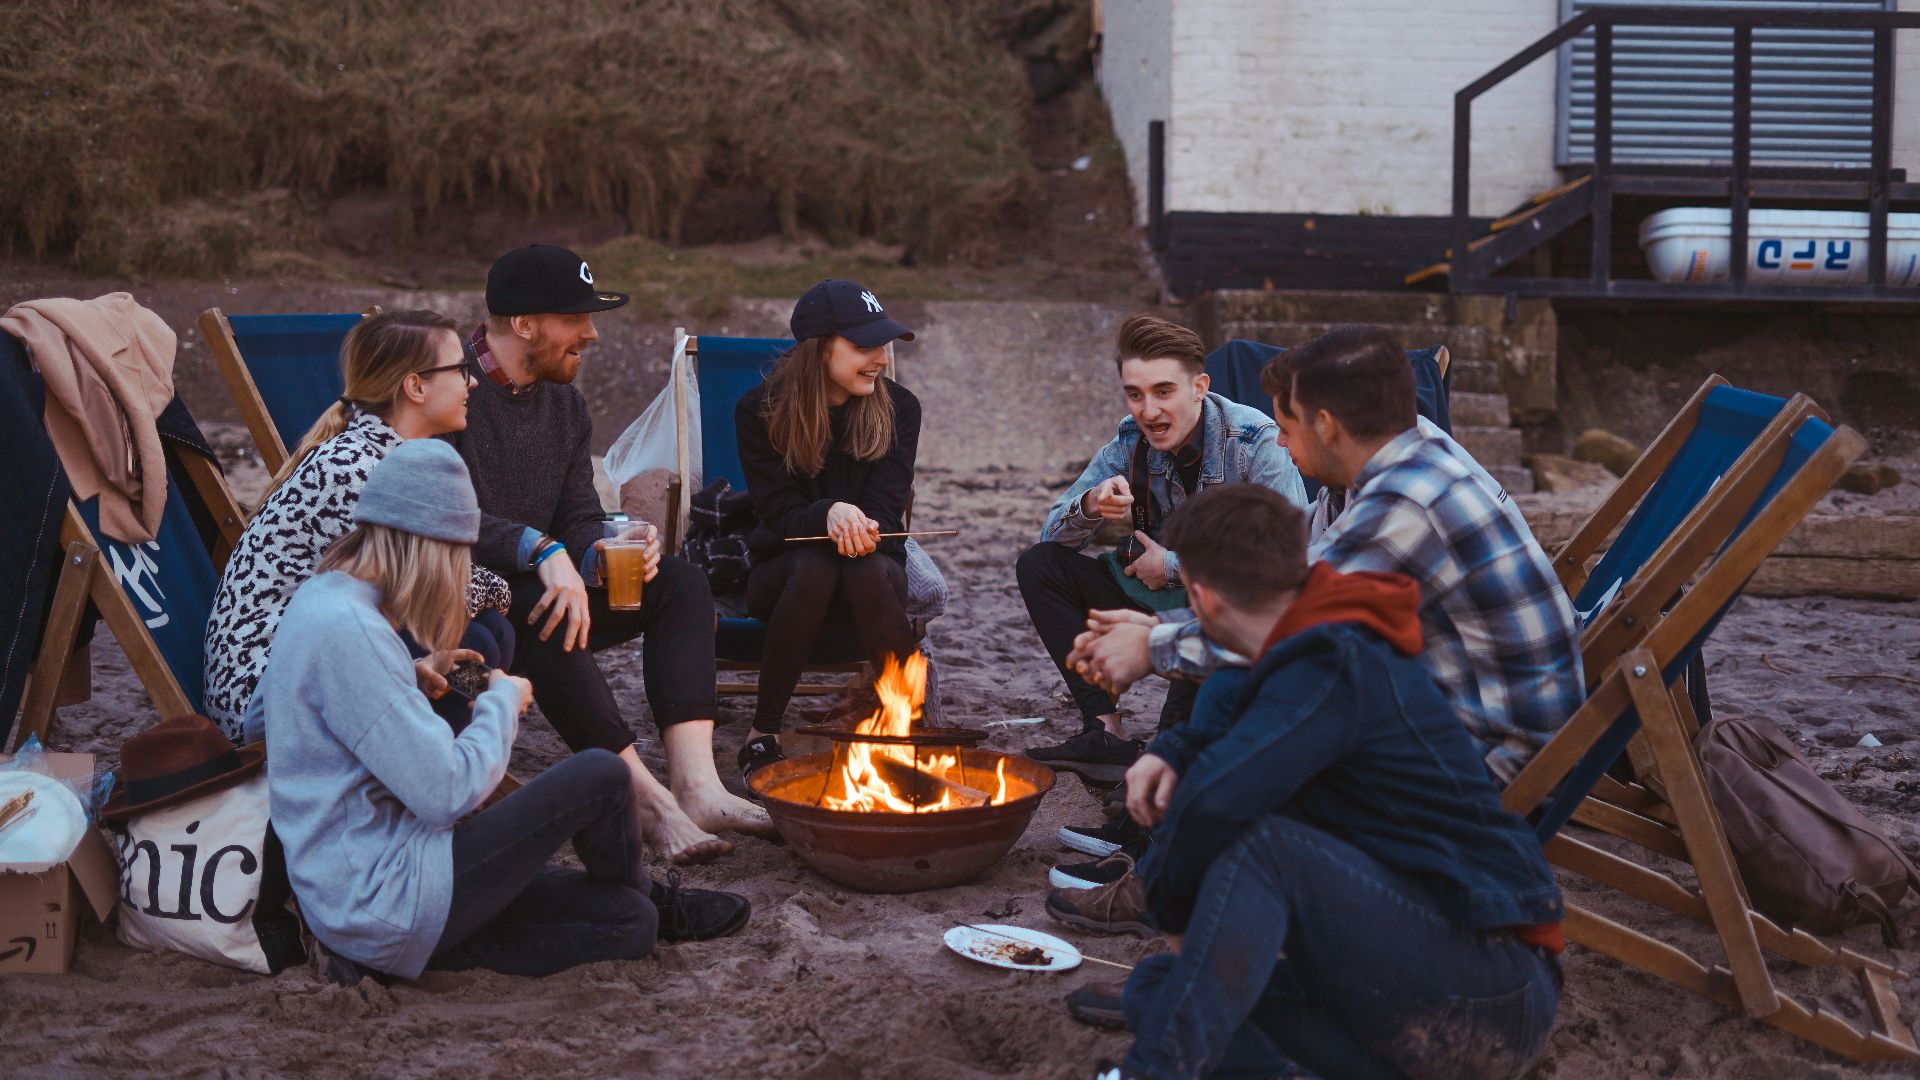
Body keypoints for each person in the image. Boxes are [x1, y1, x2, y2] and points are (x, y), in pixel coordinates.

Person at [1055, 485, 1562, 1080]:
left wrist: (1172, 916)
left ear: (1200, 598)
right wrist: (1169, 749)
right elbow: (1222, 721)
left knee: (1258, 848)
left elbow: (1215, 805)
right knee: (1159, 989)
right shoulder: (1284, 640)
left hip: (1490, 985)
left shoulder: (1334, 657)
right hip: (1405, 976)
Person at [254, 440, 751, 982]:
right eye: (456, 556)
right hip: (386, 894)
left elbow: (316, 717)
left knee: (628, 924)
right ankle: (650, 892)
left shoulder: (324, 599)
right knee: (601, 775)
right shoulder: (351, 631)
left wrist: (411, 675)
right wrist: (501, 702)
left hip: (371, 893)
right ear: (427, 545)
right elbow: (445, 793)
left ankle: (642, 903)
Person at [1069, 323, 1583, 787]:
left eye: (1287, 431)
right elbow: (1295, 582)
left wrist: (1152, 646)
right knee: (1236, 690)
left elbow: (1293, 623)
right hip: (1446, 700)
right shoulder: (1389, 458)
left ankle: (1162, 857)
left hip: (1497, 754)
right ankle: (1154, 847)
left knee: (1261, 713)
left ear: (1327, 426)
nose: (1283, 447)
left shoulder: (1407, 501)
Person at [445, 244, 773, 862]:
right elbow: (440, 512)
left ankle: (698, 786)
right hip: (470, 603)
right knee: (545, 610)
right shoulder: (448, 388)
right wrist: (541, 551)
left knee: (679, 581)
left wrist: (602, 546)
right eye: (577, 319)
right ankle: (648, 804)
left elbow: (576, 510)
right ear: (525, 324)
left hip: (553, 581)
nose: (592, 335)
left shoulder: (563, 402)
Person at [1016, 313, 1306, 782]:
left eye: (1163, 392)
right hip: (1153, 594)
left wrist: (1172, 565)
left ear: (1199, 386)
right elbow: (1052, 534)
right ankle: (1104, 730)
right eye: (1135, 394)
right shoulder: (1130, 440)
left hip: (1228, 610)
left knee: (1174, 741)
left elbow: (1291, 556)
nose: (1147, 411)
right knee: (1040, 566)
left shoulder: (1256, 442)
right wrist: (1091, 504)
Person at [204, 309, 515, 743]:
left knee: (486, 635)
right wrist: (504, 583)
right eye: (461, 370)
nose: (473, 382)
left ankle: (439, 751)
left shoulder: (377, 455)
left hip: (316, 662)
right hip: (267, 698)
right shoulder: (355, 471)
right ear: (416, 385)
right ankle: (432, 762)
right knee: (477, 632)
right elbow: (433, 592)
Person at [732, 280, 921, 781]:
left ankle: (904, 728)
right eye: (863, 346)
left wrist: (860, 524)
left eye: (882, 345)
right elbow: (778, 513)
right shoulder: (760, 411)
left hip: (872, 574)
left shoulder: (900, 409)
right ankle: (763, 734)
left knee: (861, 567)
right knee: (817, 563)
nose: (880, 358)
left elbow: (885, 506)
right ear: (819, 350)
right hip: (785, 575)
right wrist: (827, 513)